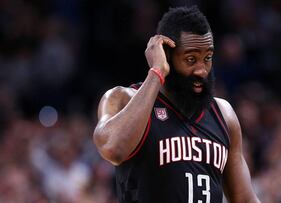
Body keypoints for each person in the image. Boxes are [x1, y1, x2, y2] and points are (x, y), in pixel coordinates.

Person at [93, 6, 261, 203]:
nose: (202, 70)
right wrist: (157, 72)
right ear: (167, 55)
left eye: (207, 58)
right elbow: (113, 148)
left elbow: (246, 200)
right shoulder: (123, 98)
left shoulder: (224, 114)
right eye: (191, 59)